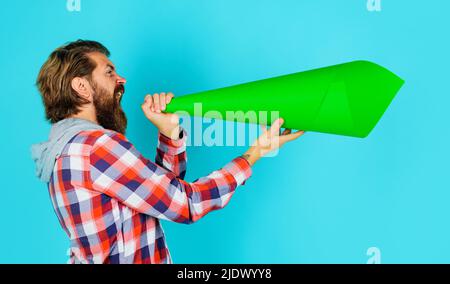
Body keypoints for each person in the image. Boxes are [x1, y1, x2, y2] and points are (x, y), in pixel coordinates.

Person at [31, 40, 305, 264]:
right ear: (81, 87)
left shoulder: (63, 149)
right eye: (109, 72)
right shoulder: (96, 147)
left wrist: (169, 132)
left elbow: (156, 197)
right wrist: (255, 152)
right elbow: (186, 204)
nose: (121, 79)